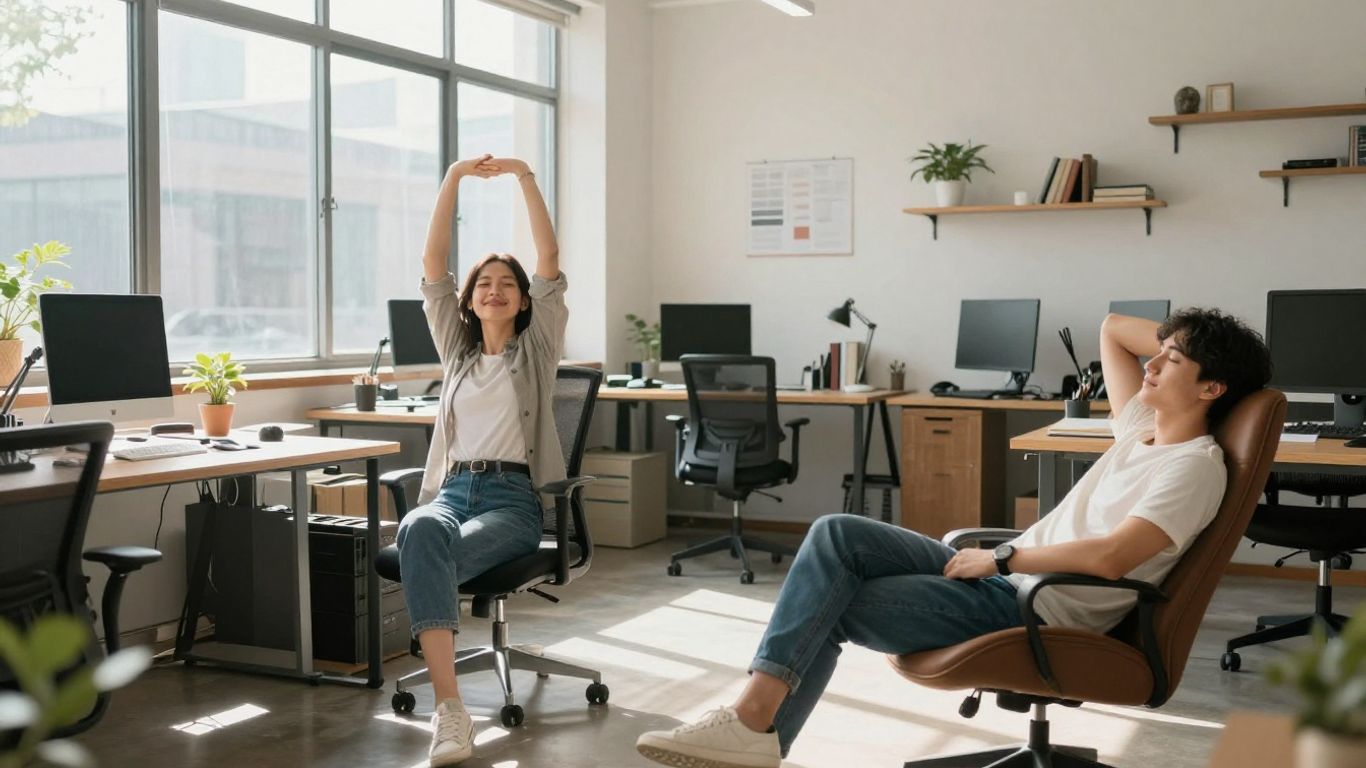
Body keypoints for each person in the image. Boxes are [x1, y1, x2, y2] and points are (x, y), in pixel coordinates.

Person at [636, 308, 1272, 768]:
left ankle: (753, 727)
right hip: (1012, 576)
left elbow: (1112, 557)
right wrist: (1189, 337)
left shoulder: (1193, 466)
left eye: (1174, 361)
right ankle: (754, 729)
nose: (1153, 362)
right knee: (836, 534)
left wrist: (1002, 555)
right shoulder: (1141, 427)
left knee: (831, 603)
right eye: (1158, 353)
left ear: (1212, 388)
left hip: (1036, 603)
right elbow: (1111, 327)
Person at [397, 153, 567, 767]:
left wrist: (524, 176)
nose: (494, 290)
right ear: (470, 301)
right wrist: (451, 177)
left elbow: (549, 263)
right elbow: (431, 266)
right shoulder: (457, 353)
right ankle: (452, 709)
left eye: (507, 284)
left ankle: (449, 712)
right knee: (418, 530)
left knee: (423, 558)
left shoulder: (537, 350)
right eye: (483, 284)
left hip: (511, 502)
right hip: (450, 495)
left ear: (522, 302)